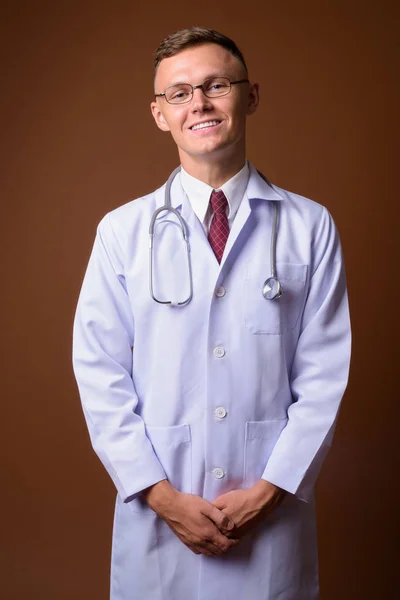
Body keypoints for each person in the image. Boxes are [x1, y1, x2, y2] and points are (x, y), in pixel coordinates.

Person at [72, 27, 351, 600]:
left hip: (269, 518)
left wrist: (270, 489)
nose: (198, 103)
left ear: (249, 97)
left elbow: (325, 376)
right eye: (179, 93)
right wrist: (159, 495)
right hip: (159, 511)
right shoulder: (122, 232)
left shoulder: (309, 226)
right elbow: (99, 372)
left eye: (215, 85)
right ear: (159, 114)